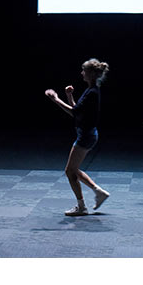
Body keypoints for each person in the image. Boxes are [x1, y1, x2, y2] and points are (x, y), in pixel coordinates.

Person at [45, 58, 111, 216]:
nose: (82, 73)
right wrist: (69, 96)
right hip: (86, 134)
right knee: (73, 169)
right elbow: (77, 112)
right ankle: (98, 192)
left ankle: (82, 206)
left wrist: (55, 99)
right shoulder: (90, 90)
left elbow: (74, 113)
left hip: (86, 136)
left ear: (91, 74)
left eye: (84, 71)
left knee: (70, 171)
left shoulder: (92, 92)